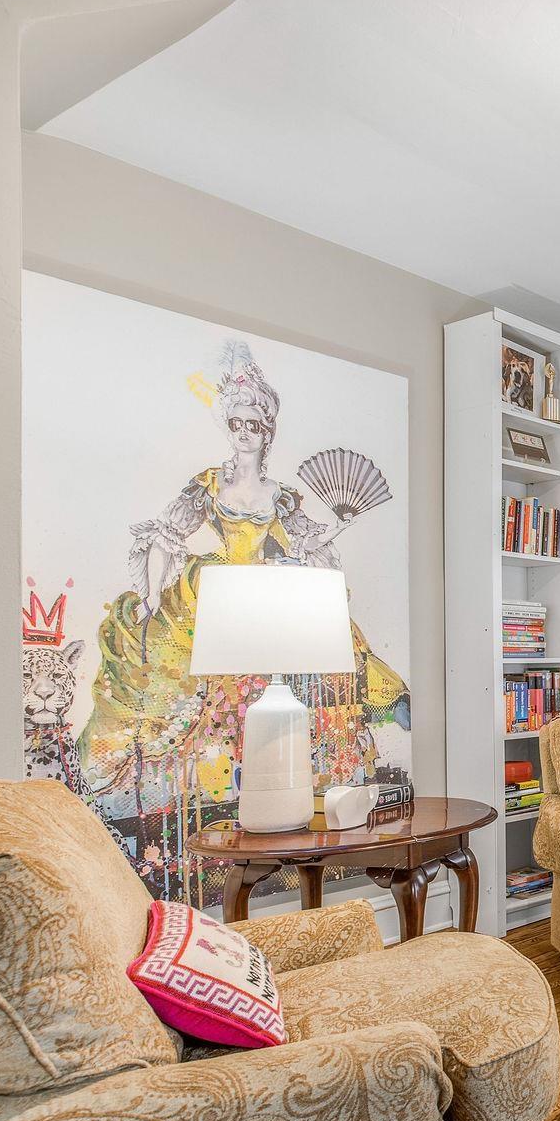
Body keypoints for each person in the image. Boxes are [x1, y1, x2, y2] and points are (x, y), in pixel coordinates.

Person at [79, 340, 409, 818]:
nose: (244, 433)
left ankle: (377, 711)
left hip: (268, 589)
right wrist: (151, 597)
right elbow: (165, 535)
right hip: (218, 592)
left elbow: (308, 543)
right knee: (182, 677)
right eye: (236, 424)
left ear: (267, 432)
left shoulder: (282, 496)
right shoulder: (210, 485)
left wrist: (326, 538)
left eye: (254, 425)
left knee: (331, 635)